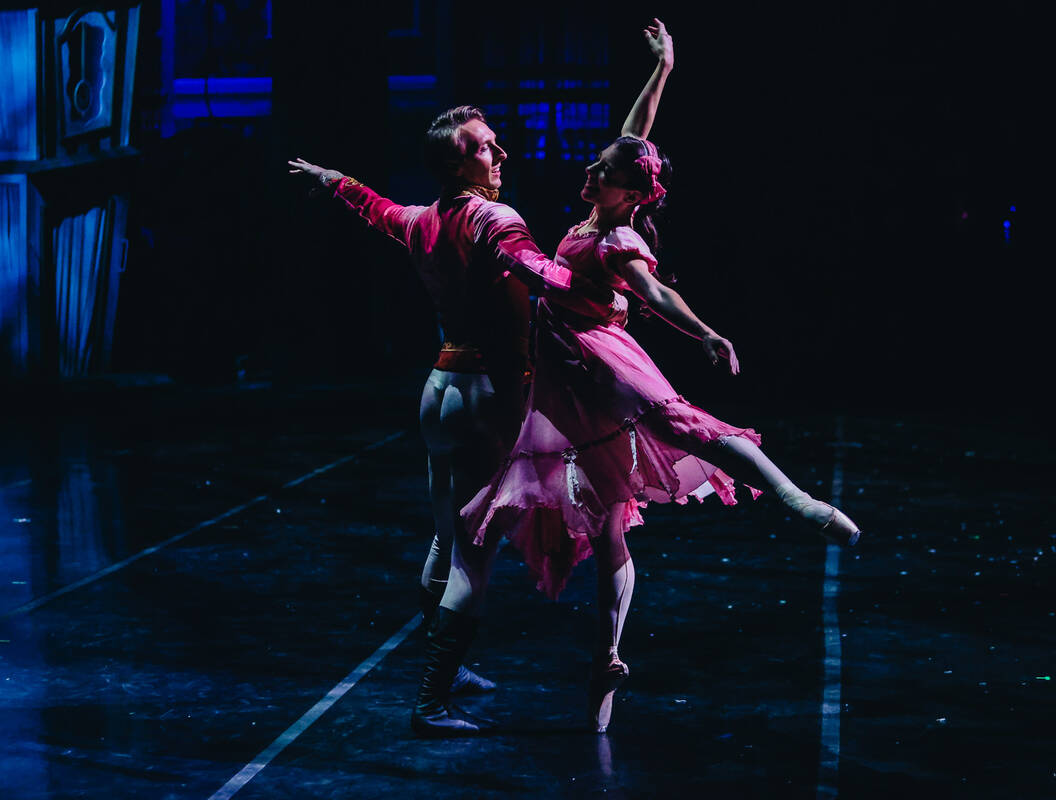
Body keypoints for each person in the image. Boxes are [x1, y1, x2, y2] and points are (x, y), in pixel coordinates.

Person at [458, 20, 862, 734]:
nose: (590, 171)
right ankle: (607, 658)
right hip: (566, 380)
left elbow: (656, 295)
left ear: (627, 192)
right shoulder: (601, 208)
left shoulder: (620, 238)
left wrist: (704, 332)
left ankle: (796, 499)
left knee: (684, 425)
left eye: (603, 172)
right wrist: (664, 68)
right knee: (612, 522)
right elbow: (633, 133)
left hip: (597, 360)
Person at [289, 98, 612, 735]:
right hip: (485, 395)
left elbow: (374, 207)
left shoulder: (422, 220)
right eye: (487, 146)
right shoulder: (496, 218)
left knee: (445, 535)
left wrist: (331, 179)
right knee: (472, 554)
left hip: (440, 391)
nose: (501, 154)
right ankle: (432, 700)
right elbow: (540, 273)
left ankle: (449, 670)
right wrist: (610, 292)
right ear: (458, 160)